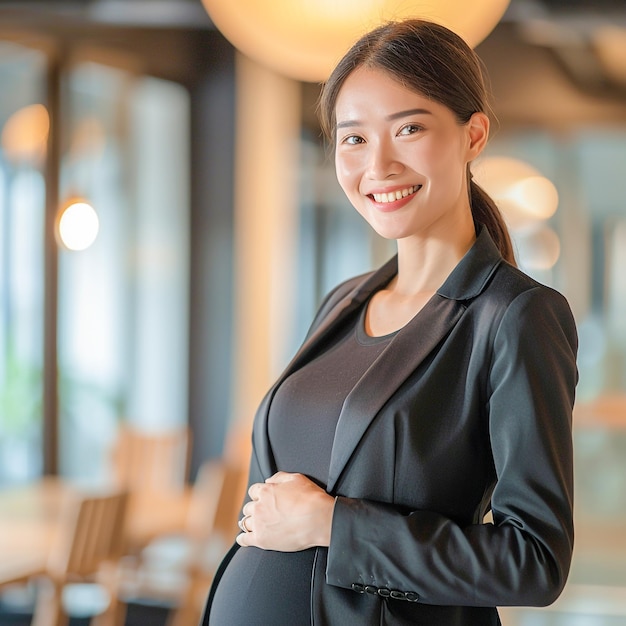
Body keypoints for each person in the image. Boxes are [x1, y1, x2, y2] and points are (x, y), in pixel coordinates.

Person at [201, 18, 578, 626]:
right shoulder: (344, 301)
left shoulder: (514, 316)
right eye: (353, 138)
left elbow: (532, 562)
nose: (378, 164)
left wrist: (333, 526)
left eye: (408, 128)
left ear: (473, 135)